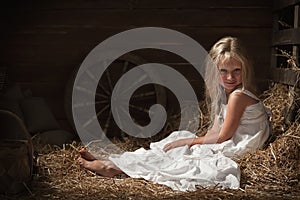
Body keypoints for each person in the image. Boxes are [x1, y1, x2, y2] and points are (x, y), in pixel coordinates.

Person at [77, 36, 270, 191]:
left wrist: (188, 142)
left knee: (182, 150)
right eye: (223, 71)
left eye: (236, 70)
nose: (230, 77)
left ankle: (112, 167)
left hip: (238, 147)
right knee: (180, 141)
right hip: (231, 142)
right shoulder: (229, 95)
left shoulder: (238, 96)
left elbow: (222, 136)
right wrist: (189, 141)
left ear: (245, 69)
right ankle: (116, 161)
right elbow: (217, 131)